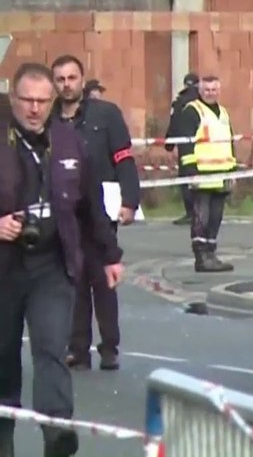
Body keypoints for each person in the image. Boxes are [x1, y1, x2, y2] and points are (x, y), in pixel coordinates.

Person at [0, 63, 124, 457]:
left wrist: (109, 255)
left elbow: (89, 204)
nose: (34, 109)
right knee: (3, 355)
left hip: (53, 263)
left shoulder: (67, 141)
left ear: (52, 100)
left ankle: (57, 432)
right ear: (12, 99)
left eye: (42, 101)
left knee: (51, 346)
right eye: (27, 101)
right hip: (4, 267)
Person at [51, 56, 140, 372]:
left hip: (100, 212)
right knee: (72, 281)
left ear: (82, 79)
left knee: (103, 278)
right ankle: (78, 348)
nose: (66, 84)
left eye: (71, 78)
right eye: (60, 79)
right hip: (64, 214)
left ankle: (109, 347)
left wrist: (130, 201)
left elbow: (124, 158)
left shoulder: (106, 114)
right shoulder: (51, 121)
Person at [172, 75, 235, 273]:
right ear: (200, 91)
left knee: (216, 217)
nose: (210, 93)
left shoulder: (223, 113)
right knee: (201, 216)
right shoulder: (192, 111)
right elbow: (185, 143)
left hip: (221, 173)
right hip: (201, 174)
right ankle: (201, 256)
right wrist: (191, 172)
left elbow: (229, 142)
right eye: (207, 90)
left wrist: (233, 171)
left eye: (214, 90)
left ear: (219, 90)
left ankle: (211, 253)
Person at [163, 73, 199, 227]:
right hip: (204, 146)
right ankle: (201, 211)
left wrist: (169, 144)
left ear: (185, 85)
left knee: (186, 179)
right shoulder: (203, 102)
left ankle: (191, 213)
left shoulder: (179, 102)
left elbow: (174, 124)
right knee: (202, 179)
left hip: (186, 148)